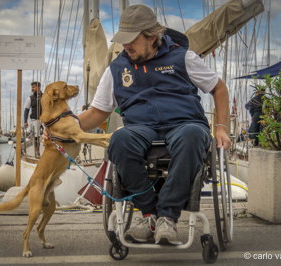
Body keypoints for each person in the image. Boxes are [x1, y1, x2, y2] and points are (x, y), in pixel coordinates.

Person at [44, 4, 231, 245]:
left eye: (131, 40)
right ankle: (148, 213)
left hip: (184, 123)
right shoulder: (117, 69)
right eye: (123, 40)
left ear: (152, 36)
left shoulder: (182, 57)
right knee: (119, 140)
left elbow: (219, 88)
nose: (126, 46)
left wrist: (221, 127)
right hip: (141, 127)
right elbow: (97, 113)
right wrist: (60, 130)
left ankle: (167, 217)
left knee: (193, 135)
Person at [24, 81, 43, 158]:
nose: (32, 88)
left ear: (38, 87)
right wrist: (25, 121)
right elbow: (26, 110)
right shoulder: (30, 98)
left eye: (34, 87)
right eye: (32, 87)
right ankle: (37, 152)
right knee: (37, 135)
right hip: (35, 119)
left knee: (49, 134)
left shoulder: (44, 96)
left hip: (44, 119)